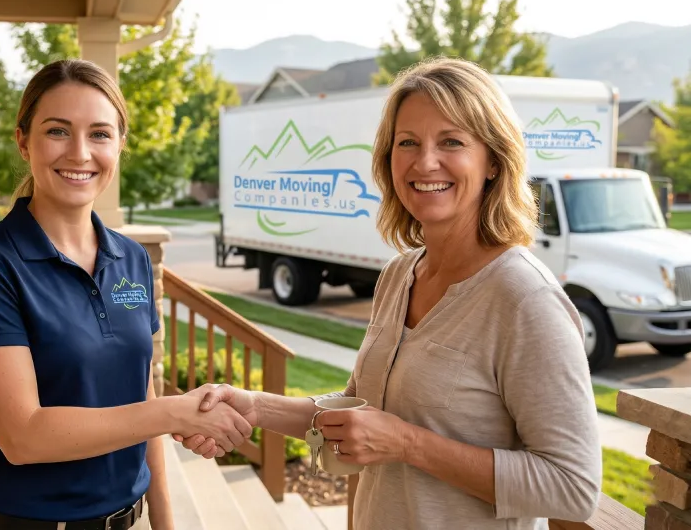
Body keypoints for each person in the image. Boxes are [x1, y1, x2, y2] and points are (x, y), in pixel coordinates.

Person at [174, 56, 602, 529]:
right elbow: (359, 411)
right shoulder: (400, 274)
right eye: (408, 143)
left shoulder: (524, 299)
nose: (425, 162)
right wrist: (256, 406)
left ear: (494, 162)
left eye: (452, 141)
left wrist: (408, 444)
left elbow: (573, 487)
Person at [0, 58, 253, 530]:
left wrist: (165, 521)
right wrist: (174, 412)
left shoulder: (131, 259)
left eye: (100, 134)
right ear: (23, 140)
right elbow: (23, 437)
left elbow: (140, 387)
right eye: (58, 131)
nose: (80, 153)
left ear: (120, 144)